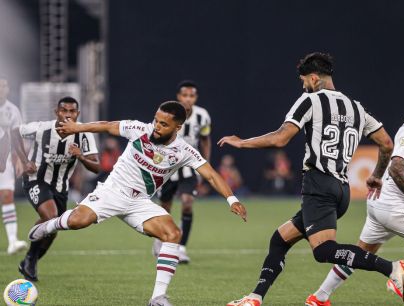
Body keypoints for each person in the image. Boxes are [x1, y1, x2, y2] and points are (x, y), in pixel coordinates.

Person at [219, 52, 404, 306]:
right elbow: (387, 143)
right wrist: (376, 175)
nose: (303, 86)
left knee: (323, 251)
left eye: (303, 81)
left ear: (313, 78)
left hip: (318, 185)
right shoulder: (356, 107)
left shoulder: (310, 100)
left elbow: (280, 138)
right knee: (280, 239)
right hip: (342, 190)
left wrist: (242, 143)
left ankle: (393, 269)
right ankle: (255, 298)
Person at [28, 101, 247, 306]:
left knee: (173, 234)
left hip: (140, 202)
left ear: (177, 127)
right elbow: (106, 126)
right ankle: (48, 226)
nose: (156, 127)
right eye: (156, 120)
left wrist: (232, 199)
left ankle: (158, 297)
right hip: (112, 192)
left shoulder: (184, 151)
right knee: (77, 221)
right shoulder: (139, 129)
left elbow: (211, 175)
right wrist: (78, 127)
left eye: (163, 124)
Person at [307, 79, 404, 306]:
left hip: (379, 205)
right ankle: (402, 277)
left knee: (359, 254)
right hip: (395, 205)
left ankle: (318, 298)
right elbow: (397, 167)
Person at [19, 96, 100, 281]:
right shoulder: (42, 128)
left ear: (77, 114)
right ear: (57, 112)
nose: (68, 115)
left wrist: (81, 156)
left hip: (60, 187)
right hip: (35, 180)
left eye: (72, 112)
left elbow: (96, 167)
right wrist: (24, 161)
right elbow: (15, 132)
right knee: (50, 217)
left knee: (53, 230)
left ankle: (29, 261)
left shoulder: (84, 134)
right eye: (64, 111)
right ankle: (30, 259)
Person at [154, 81, 212, 263]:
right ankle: (161, 240)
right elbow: (156, 135)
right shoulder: (167, 113)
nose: (188, 99)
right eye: (185, 95)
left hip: (189, 168)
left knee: (187, 203)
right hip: (167, 167)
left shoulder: (203, 116)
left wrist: (205, 164)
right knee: (165, 207)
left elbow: (205, 140)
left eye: (192, 95)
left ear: (196, 98)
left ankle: (181, 247)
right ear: (179, 97)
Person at [0, 78, 36, 255]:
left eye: (4, 85)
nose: (1, 88)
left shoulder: (12, 110)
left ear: (7, 89)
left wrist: (20, 160)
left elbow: (16, 137)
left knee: (7, 196)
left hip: (3, 160)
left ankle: (12, 241)